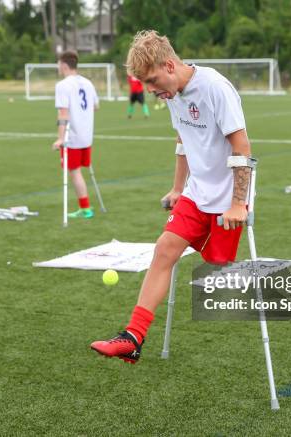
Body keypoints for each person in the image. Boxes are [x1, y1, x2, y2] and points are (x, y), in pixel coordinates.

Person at [90, 30, 251, 364]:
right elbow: (183, 141)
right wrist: (178, 188)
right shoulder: (172, 94)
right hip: (196, 192)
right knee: (164, 250)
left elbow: (241, 147)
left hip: (227, 196)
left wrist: (238, 203)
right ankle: (132, 338)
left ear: (169, 65)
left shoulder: (215, 88)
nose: (150, 90)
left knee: (218, 269)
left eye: (152, 81)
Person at [52, 50, 99, 219]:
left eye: (58, 64)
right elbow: (95, 106)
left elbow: (63, 114)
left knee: (74, 171)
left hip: (73, 138)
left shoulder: (62, 85)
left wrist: (60, 138)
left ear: (64, 65)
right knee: (80, 170)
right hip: (87, 136)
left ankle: (85, 208)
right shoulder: (87, 82)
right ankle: (85, 207)